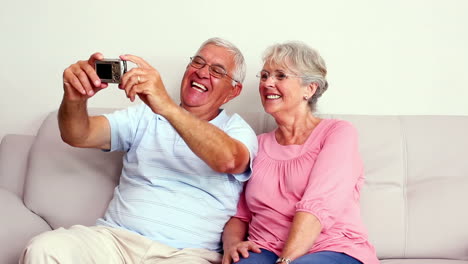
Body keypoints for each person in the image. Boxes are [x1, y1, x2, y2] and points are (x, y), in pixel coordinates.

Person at [20, 37, 258, 264]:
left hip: (186, 254)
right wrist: (74, 98)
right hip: (116, 242)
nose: (202, 72)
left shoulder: (236, 129)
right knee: (44, 249)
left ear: (233, 91)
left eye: (217, 70)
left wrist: (166, 106)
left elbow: (229, 160)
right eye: (198, 62)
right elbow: (78, 135)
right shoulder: (143, 116)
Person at [222, 42, 379, 264]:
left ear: (310, 88)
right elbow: (240, 213)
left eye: (280, 76)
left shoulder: (337, 133)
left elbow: (318, 206)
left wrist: (285, 261)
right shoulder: (256, 144)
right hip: (264, 248)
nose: (268, 83)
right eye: (264, 75)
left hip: (332, 248)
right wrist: (232, 245)